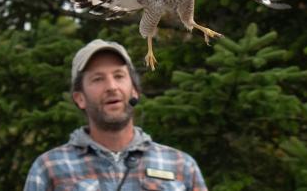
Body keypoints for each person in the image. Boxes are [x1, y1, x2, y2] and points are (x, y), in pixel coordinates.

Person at [24, 39, 208, 191]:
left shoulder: (181, 166)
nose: (112, 87)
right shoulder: (49, 168)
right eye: (98, 79)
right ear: (80, 98)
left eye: (119, 76)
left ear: (135, 91)